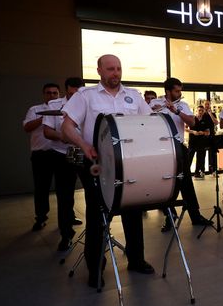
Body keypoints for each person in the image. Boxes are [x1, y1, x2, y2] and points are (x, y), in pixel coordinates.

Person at [62, 54, 156, 288]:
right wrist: (84, 146)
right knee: (97, 215)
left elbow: (150, 123)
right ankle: (95, 268)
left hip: (130, 163)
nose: (116, 73)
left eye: (119, 68)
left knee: (133, 211)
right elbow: (66, 127)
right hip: (97, 163)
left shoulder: (133, 96)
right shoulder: (86, 96)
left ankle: (136, 259)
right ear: (99, 71)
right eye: (111, 69)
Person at [149, 78, 211, 231]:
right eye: (176, 91)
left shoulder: (182, 105)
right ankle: (170, 217)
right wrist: (153, 111)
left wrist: (176, 111)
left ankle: (195, 216)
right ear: (168, 91)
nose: (179, 93)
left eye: (180, 90)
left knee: (186, 183)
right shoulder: (154, 104)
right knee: (164, 184)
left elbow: (192, 123)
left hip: (178, 147)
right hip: (160, 149)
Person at [42, 77, 84, 250]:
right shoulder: (54, 105)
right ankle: (66, 234)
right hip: (62, 154)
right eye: (72, 92)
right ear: (66, 90)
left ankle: (100, 232)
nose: (75, 96)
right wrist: (63, 136)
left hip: (84, 152)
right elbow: (47, 132)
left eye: (78, 93)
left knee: (93, 192)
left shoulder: (87, 102)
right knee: (64, 195)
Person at [23, 83, 60, 231]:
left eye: (54, 93)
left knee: (64, 189)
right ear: (43, 94)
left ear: (59, 94)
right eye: (48, 93)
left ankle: (68, 216)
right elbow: (27, 127)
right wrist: (45, 118)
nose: (51, 95)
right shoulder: (35, 110)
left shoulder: (64, 109)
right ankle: (41, 218)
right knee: (41, 188)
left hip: (59, 154)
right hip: (41, 155)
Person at [188, 105, 212, 179]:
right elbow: (185, 129)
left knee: (200, 158)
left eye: (202, 110)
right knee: (189, 157)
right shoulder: (192, 118)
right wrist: (193, 132)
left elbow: (208, 132)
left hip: (202, 142)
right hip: (192, 142)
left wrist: (203, 133)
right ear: (196, 111)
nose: (201, 112)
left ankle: (197, 173)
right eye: (199, 110)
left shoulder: (206, 120)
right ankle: (186, 173)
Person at [202, 99, 219, 175]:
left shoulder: (213, 114)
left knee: (213, 154)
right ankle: (202, 170)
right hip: (203, 136)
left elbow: (216, 123)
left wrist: (210, 114)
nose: (207, 106)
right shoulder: (202, 114)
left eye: (208, 104)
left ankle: (214, 170)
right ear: (203, 105)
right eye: (206, 104)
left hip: (212, 136)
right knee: (202, 154)